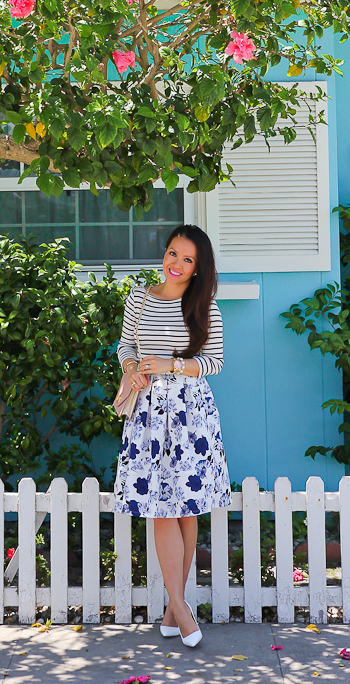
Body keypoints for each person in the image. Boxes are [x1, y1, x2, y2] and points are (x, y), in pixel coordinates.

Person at [114, 223, 231, 647]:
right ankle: (181, 606)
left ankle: (172, 606)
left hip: (190, 415)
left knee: (186, 508)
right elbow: (126, 346)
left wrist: (172, 365)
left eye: (187, 259)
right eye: (172, 253)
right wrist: (132, 370)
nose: (176, 264)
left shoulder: (205, 306)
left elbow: (215, 362)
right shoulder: (140, 299)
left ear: (198, 268)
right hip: (147, 414)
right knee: (161, 505)